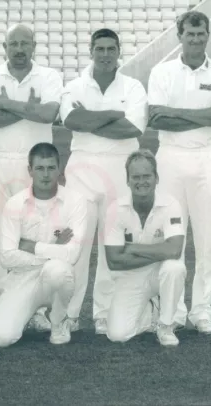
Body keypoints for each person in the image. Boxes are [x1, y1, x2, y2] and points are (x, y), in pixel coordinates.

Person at [147, 11, 211, 334]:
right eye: (190, 34)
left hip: (210, 157)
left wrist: (177, 112)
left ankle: (202, 310)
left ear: (207, 35)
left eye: (201, 34)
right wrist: (206, 113)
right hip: (170, 158)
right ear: (179, 34)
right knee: (173, 235)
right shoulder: (162, 72)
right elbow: (156, 119)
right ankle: (173, 310)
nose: (196, 40)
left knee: (209, 236)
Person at [0, 23, 63, 332]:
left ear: (35, 46)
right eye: (15, 44)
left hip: (34, 165)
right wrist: (29, 108)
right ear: (5, 47)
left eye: (26, 44)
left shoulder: (49, 76)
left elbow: (49, 114)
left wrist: (7, 103)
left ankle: (35, 308)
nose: (20, 49)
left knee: (35, 236)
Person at [59, 28, 148, 335]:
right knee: (76, 244)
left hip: (119, 172)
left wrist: (92, 119)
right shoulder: (73, 86)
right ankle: (69, 314)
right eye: (100, 48)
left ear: (118, 51)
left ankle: (103, 313)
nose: (106, 54)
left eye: (111, 49)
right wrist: (114, 113)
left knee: (113, 242)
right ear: (91, 50)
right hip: (81, 170)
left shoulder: (134, 86)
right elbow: (71, 121)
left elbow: (133, 129)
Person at [0, 143, 87, 347]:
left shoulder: (75, 201)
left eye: (51, 168)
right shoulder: (15, 204)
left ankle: (58, 322)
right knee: (1, 338)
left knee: (58, 270)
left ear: (59, 170)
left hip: (53, 276)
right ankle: (29, 313)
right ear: (30, 170)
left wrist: (32, 246)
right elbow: (6, 257)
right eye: (40, 168)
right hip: (22, 278)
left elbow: (72, 254)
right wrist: (54, 249)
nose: (45, 174)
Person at [105, 150, 187, 347]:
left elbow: (174, 250)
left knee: (174, 268)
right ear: (127, 180)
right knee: (118, 335)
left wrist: (133, 248)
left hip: (161, 273)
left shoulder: (171, 204)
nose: (142, 182)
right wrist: (159, 252)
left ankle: (166, 325)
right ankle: (151, 308)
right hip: (130, 275)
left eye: (147, 176)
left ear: (156, 178)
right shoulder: (115, 209)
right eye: (136, 177)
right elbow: (114, 261)